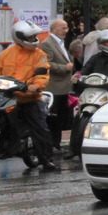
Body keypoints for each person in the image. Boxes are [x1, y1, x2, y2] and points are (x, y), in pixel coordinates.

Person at [0, 20, 56, 170]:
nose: (33, 40)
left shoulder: (39, 54)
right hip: (8, 95)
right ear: (19, 37)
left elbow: (43, 72)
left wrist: (36, 85)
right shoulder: (7, 52)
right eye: (30, 38)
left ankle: (46, 158)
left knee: (39, 127)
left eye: (34, 37)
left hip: (29, 97)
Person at [41, 19, 73, 154]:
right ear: (54, 29)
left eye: (66, 28)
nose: (66, 31)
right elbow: (46, 64)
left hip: (63, 88)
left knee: (60, 119)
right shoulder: (47, 44)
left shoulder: (60, 43)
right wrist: (64, 68)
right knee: (53, 119)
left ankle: (56, 144)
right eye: (63, 28)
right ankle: (51, 145)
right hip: (54, 88)